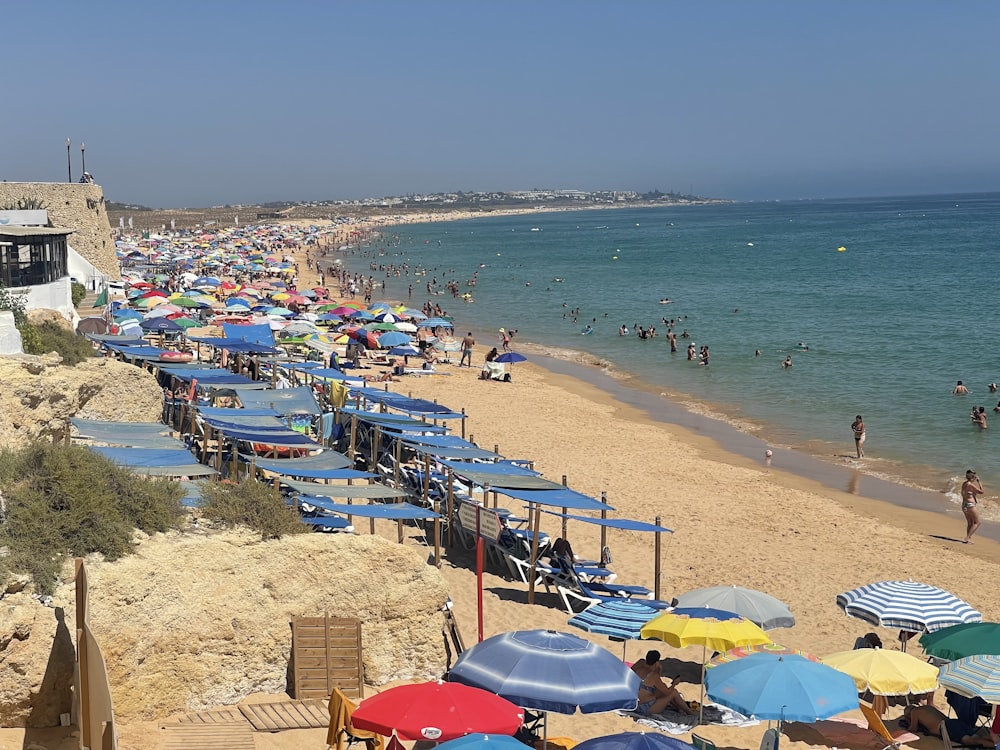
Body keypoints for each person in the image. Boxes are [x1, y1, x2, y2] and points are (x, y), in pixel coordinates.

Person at [901, 704, 998, 748]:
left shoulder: (914, 712)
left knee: (969, 741)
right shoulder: (927, 707)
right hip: (953, 722)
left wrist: (909, 722)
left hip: (947, 727)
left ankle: (997, 745)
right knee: (976, 737)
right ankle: (995, 740)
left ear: (908, 714)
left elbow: (912, 729)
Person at [630, 651, 696, 716]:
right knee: (673, 692)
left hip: (636, 704)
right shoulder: (653, 676)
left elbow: (630, 672)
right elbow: (667, 692)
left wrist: (658, 671)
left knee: (660, 689)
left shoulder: (640, 663)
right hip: (647, 708)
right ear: (657, 662)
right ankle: (690, 712)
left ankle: (679, 708)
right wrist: (674, 684)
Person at [961, 469, 984, 543]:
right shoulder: (970, 485)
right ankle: (967, 538)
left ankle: (968, 539)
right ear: (973, 477)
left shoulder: (964, 484)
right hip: (970, 505)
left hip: (964, 504)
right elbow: (981, 492)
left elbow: (968, 492)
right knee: (977, 522)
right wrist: (979, 482)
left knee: (970, 523)